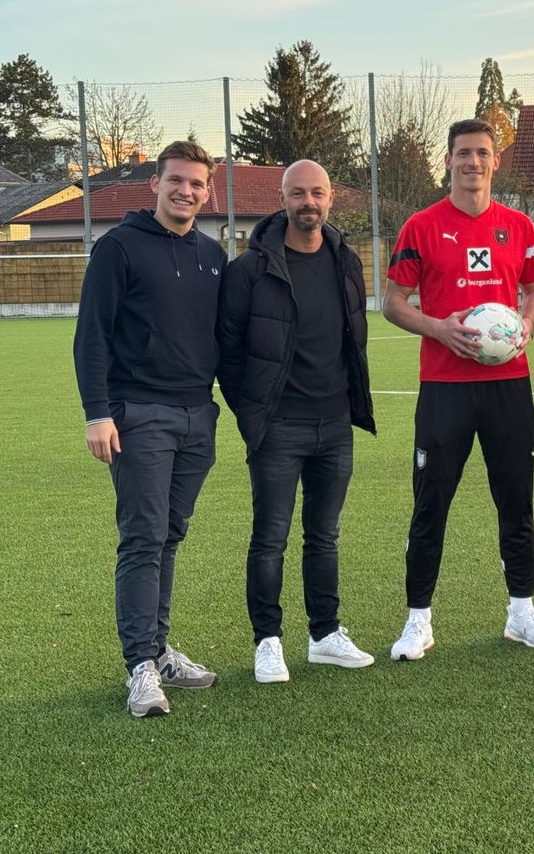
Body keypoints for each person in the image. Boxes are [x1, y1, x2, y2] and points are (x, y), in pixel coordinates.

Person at [382, 118, 534, 660]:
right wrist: (439, 328)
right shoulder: (421, 225)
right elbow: (393, 300)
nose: (473, 163)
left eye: (483, 153)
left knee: (516, 500)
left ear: (494, 161)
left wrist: (526, 326)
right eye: (464, 153)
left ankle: (521, 612)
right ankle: (419, 621)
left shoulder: (520, 227)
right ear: (449, 160)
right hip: (445, 387)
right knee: (430, 502)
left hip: (509, 385)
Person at [73, 140, 226, 718]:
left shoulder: (214, 255)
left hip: (197, 417)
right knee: (143, 537)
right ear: (155, 185)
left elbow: (222, 341)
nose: (186, 191)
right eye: (176, 181)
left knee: (170, 535)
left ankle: (160, 650)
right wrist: (98, 413)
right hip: (139, 415)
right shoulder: (118, 248)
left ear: (207, 191)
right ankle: (140, 665)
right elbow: (91, 336)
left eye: (197, 183)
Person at [217, 160, 377, 683]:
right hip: (278, 428)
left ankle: (325, 634)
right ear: (282, 199)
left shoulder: (346, 261)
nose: (309, 202)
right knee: (270, 538)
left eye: (318, 193)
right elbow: (229, 353)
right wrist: (253, 414)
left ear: (331, 199)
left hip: (334, 425)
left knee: (324, 536)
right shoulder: (249, 269)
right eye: (298, 193)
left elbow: (354, 339)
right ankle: (268, 642)